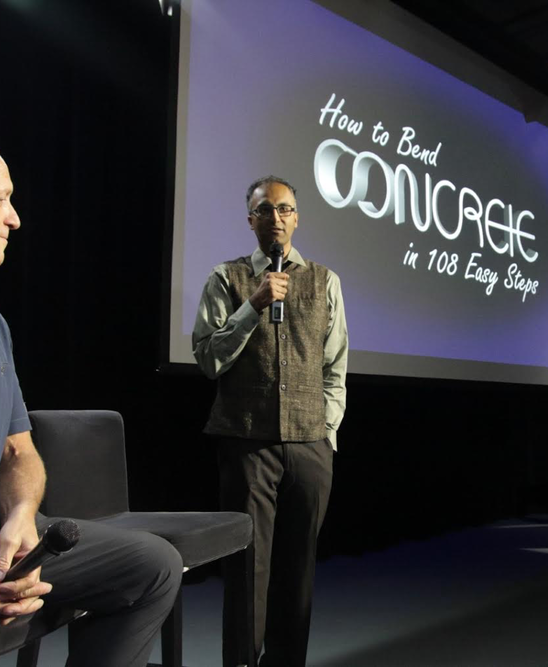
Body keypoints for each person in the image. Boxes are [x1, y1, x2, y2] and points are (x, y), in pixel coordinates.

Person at [0, 128, 184, 666]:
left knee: (150, 566)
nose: (14, 217)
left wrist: (20, 517)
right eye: (0, 199)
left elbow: (16, 451)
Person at [192, 175, 347, 666]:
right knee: (247, 569)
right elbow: (208, 359)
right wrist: (253, 306)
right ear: (250, 220)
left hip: (309, 446)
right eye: (265, 210)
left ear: (297, 218)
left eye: (284, 210)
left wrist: (326, 433)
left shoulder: (325, 281)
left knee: (297, 572)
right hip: (246, 444)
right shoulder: (226, 277)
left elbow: (334, 366)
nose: (275, 218)